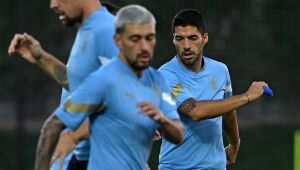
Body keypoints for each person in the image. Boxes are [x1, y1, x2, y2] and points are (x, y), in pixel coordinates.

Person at [36, 4, 183, 170]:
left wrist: (159, 120)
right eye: (134, 38)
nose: (143, 46)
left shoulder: (154, 80)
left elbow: (176, 132)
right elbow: (55, 124)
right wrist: (73, 135)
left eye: (149, 38)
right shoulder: (102, 75)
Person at [8, 0, 119, 169]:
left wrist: (75, 135)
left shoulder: (108, 31)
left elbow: (127, 101)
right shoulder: (87, 31)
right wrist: (41, 58)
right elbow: (80, 85)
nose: (53, 4)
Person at [158, 9, 269, 170]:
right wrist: (246, 96)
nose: (186, 46)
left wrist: (234, 143)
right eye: (179, 39)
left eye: (192, 38)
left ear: (205, 39)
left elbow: (228, 108)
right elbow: (195, 111)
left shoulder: (220, 70)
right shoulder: (165, 75)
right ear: (173, 40)